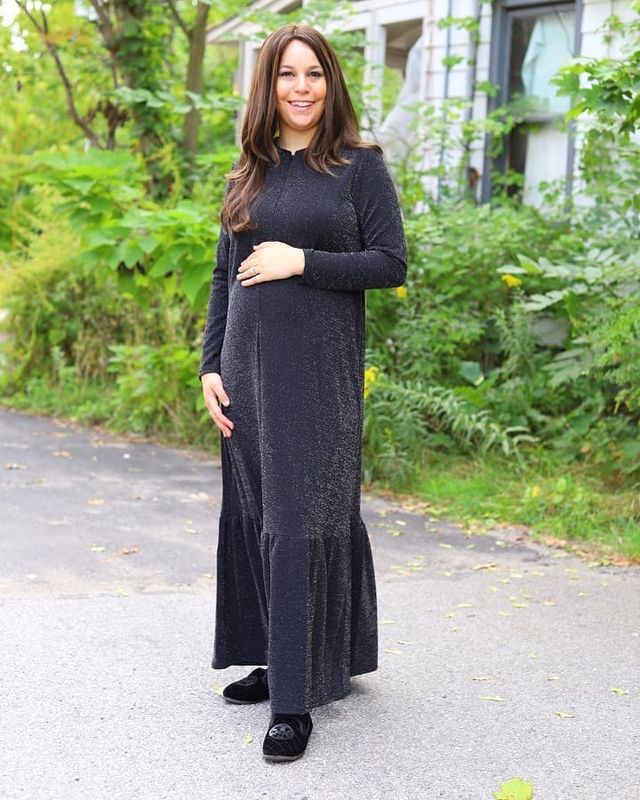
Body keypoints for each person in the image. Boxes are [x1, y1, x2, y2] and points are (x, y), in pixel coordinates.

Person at [199, 22, 407, 763]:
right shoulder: (248, 169)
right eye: (287, 74)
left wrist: (301, 261)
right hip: (246, 376)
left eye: (313, 73)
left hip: (318, 380)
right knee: (258, 513)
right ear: (269, 85)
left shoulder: (358, 166)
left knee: (298, 518)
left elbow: (389, 263)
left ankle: (293, 703)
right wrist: (209, 365)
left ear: (330, 82)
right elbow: (224, 276)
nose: (301, 87)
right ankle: (275, 657)